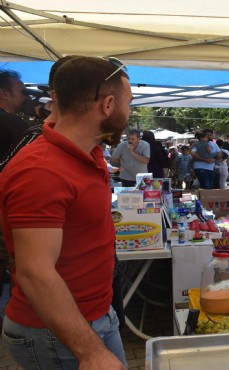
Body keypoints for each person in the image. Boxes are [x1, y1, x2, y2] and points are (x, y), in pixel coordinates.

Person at [0, 56, 131, 369]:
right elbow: (35, 272)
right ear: (109, 105)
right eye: (129, 103)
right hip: (57, 333)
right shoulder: (42, 170)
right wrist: (90, 352)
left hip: (94, 316)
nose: (130, 111)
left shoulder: (89, 151)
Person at [0, 69, 30, 162]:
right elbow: (32, 148)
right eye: (23, 92)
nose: (27, 97)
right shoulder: (9, 121)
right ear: (4, 94)